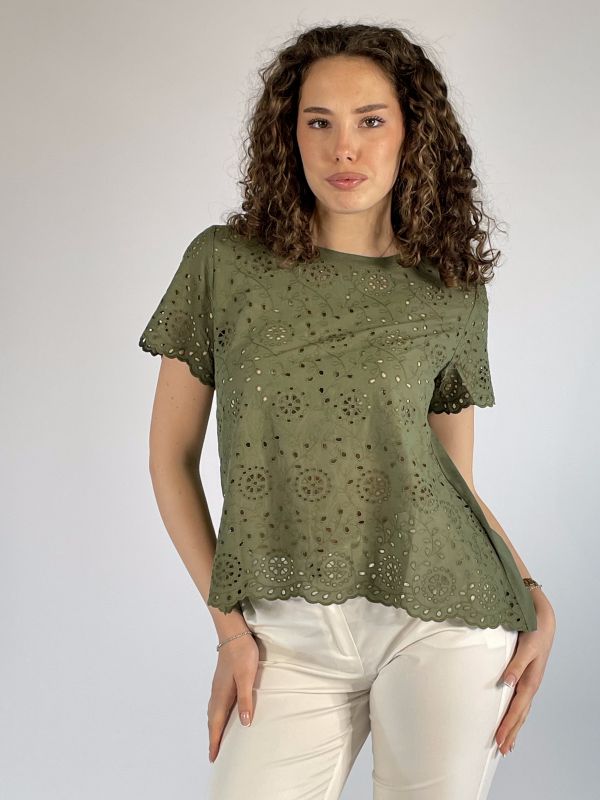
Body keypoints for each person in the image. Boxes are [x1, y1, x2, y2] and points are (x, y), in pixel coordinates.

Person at [138, 22, 556, 800]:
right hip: (284, 633)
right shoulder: (223, 264)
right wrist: (230, 631)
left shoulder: (451, 289)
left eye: (370, 121)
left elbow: (451, 480)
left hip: (446, 616)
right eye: (319, 122)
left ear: (411, 133)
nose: (344, 148)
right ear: (288, 135)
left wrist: (531, 591)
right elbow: (170, 459)